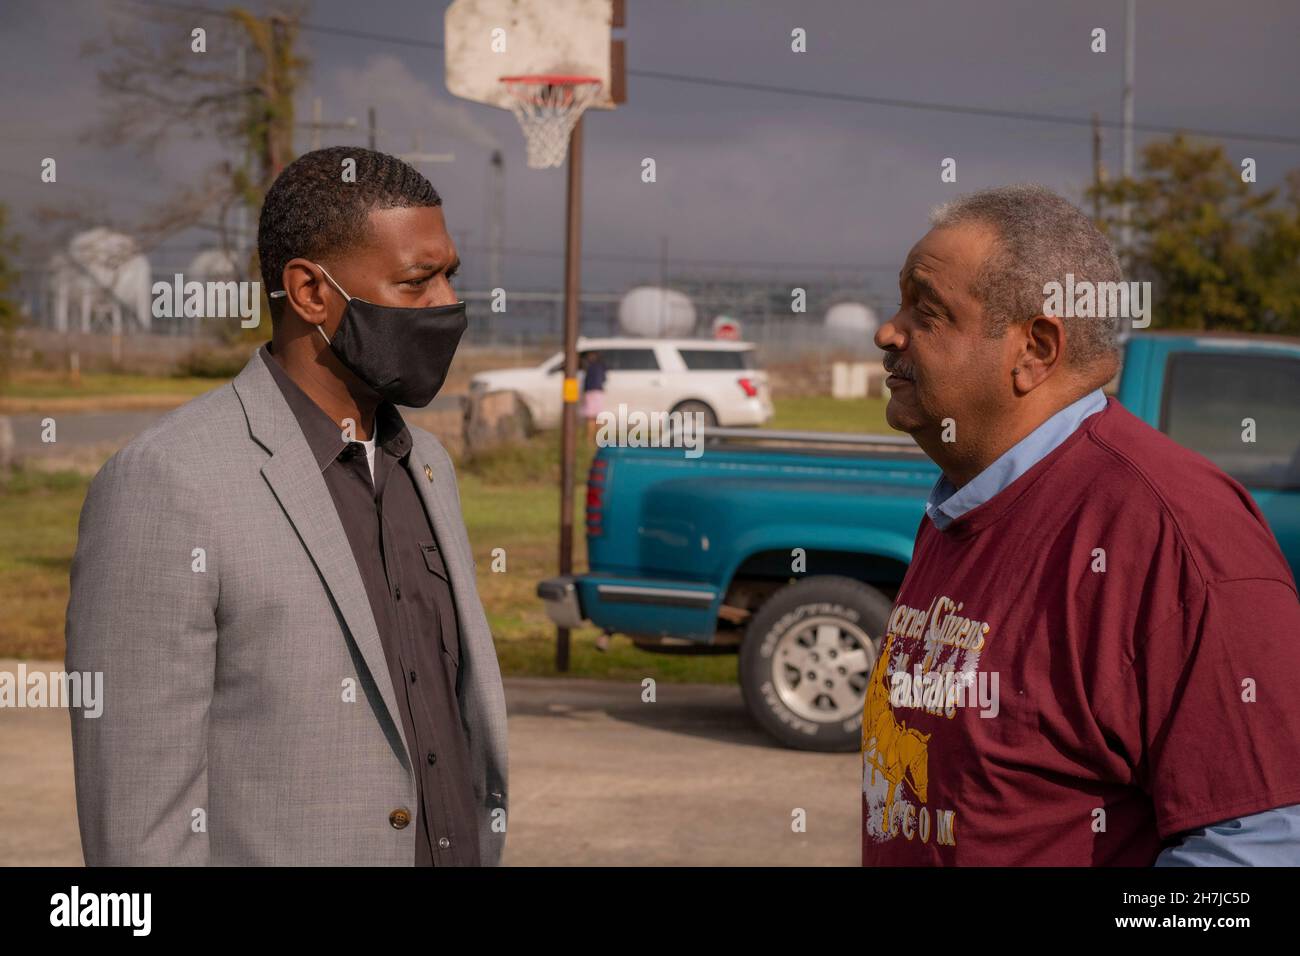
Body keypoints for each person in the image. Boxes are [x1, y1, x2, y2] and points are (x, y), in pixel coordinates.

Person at [65, 147, 508, 866]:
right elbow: (137, 827)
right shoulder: (166, 483)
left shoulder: (427, 466)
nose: (447, 306)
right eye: (417, 282)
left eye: (451, 276)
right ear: (310, 293)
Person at [864, 183, 1300, 866]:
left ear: (1035, 349)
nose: (888, 332)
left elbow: (1258, 851)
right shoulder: (963, 504)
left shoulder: (1171, 531)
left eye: (927, 310)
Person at [582, 350, 608, 442]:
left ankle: (589, 439)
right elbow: (604, 379)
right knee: (598, 416)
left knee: (590, 417)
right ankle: (599, 439)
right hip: (599, 392)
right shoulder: (602, 366)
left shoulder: (590, 366)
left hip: (591, 392)